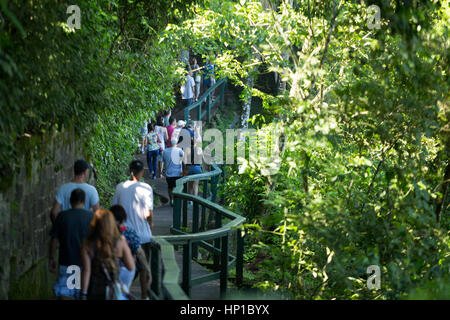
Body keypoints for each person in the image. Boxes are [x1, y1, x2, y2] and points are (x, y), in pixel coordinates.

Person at [111, 160, 153, 299]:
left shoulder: (120, 187)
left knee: (124, 267)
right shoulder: (146, 188)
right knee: (144, 268)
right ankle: (145, 296)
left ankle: (124, 293)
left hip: (124, 234)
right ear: (141, 172)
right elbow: (148, 213)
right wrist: (150, 224)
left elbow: (114, 210)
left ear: (130, 170)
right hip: (142, 235)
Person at [49, 188, 94, 300]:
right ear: (84, 202)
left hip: (66, 261)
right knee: (80, 293)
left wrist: (51, 258)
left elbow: (54, 239)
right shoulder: (90, 217)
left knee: (66, 291)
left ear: (70, 201)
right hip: (85, 264)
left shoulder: (62, 216)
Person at [80, 209, 135, 300]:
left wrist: (83, 294)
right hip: (113, 292)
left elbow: (86, 271)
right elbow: (131, 266)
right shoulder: (120, 241)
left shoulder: (87, 244)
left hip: (94, 291)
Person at [50, 159, 100, 224]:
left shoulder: (63, 188)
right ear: (85, 172)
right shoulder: (92, 190)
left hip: (67, 229)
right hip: (85, 229)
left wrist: (58, 227)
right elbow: (97, 212)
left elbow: (54, 212)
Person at [110, 204, 140, 292]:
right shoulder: (130, 232)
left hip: (110, 268)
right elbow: (138, 250)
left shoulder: (105, 233)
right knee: (125, 291)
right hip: (127, 269)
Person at [162, 137, 185, 206]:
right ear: (177, 143)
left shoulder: (165, 151)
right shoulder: (180, 151)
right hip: (178, 172)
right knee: (178, 187)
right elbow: (184, 160)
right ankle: (177, 200)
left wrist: (161, 170)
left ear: (169, 143)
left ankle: (171, 200)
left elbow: (162, 161)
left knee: (170, 187)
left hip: (169, 173)